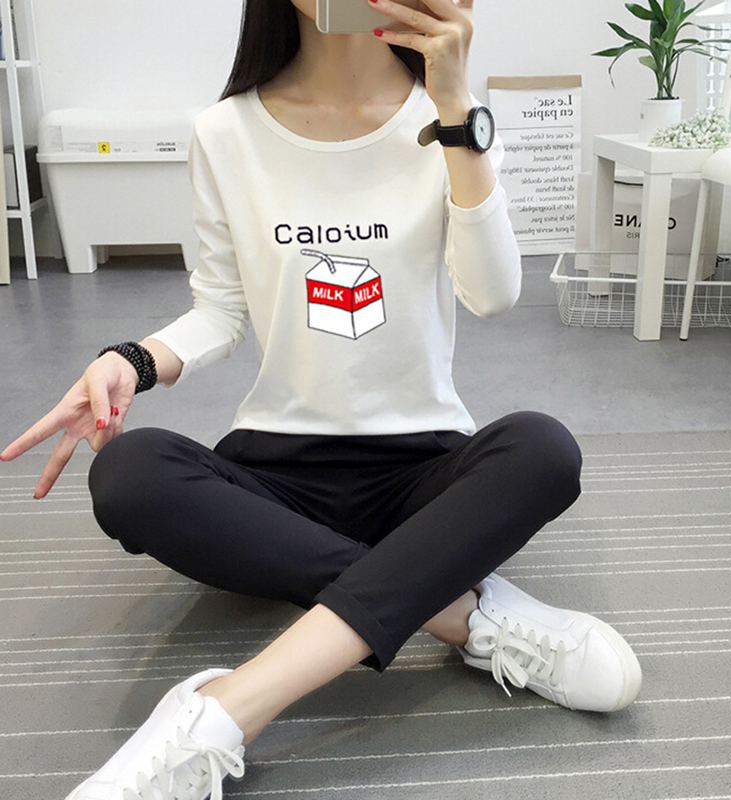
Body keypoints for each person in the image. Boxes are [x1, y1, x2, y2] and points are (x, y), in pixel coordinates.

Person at [1, 1, 642, 798]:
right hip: (279, 472)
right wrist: (131, 359)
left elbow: (493, 294)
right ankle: (462, 614)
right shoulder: (226, 132)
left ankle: (226, 708)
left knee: (543, 451)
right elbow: (220, 307)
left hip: (421, 470)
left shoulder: (450, 118)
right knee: (130, 474)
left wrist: (453, 104)